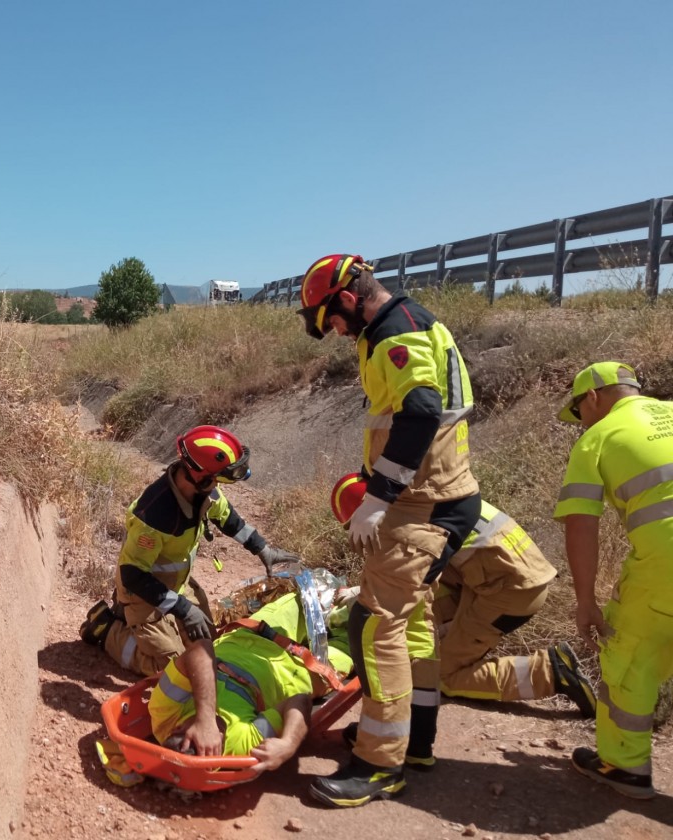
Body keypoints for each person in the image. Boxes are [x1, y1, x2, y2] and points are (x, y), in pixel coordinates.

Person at [297, 254, 482, 807]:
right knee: (414, 627)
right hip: (442, 498)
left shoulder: (394, 333)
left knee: (376, 627)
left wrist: (378, 497)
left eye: (331, 318)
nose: (334, 329)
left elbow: (421, 411)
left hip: (421, 507)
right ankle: (414, 740)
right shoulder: (407, 322)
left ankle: (379, 766)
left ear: (349, 299)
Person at [331, 473, 596, 718]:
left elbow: (404, 587)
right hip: (503, 578)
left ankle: (551, 672)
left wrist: (361, 603)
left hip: (512, 592)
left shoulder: (411, 525)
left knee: (442, 676)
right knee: (422, 616)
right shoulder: (428, 499)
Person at [79, 425, 299, 676]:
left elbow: (227, 517)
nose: (217, 486)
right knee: (173, 668)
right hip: (143, 592)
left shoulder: (203, 490)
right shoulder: (155, 515)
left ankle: (152, 620)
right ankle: (107, 629)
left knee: (207, 643)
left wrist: (263, 549)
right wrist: (183, 608)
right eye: (215, 479)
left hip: (176, 586)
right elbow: (133, 575)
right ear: (201, 477)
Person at [553, 361, 673, 800]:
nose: (579, 423)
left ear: (593, 398)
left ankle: (624, 767)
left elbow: (581, 524)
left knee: (629, 653)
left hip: (666, 566)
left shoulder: (597, 438)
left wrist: (586, 601)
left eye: (579, 412)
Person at [149, 591, 354, 772]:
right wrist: (289, 743)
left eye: (199, 734)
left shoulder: (164, 714)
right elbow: (299, 701)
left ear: (177, 729)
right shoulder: (238, 746)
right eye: (214, 745)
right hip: (298, 669)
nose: (216, 734)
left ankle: (347, 596)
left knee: (312, 595)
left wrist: (206, 718)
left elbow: (200, 648)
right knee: (359, 633)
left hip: (252, 635)